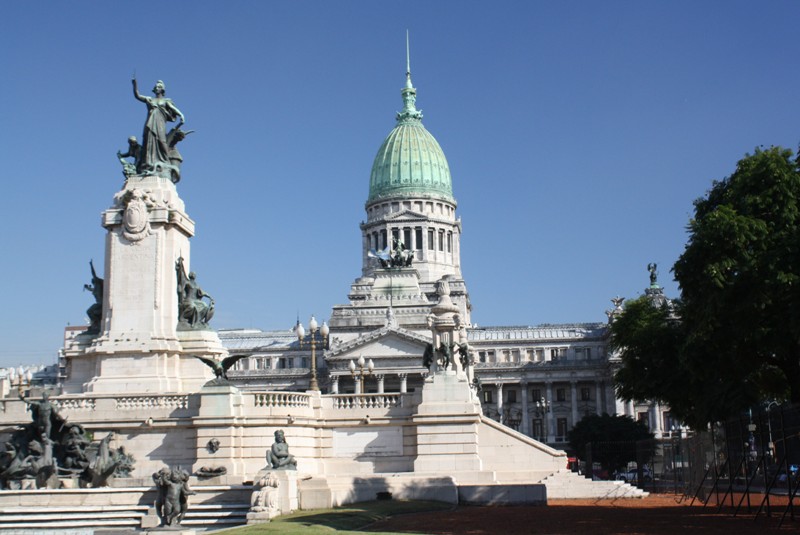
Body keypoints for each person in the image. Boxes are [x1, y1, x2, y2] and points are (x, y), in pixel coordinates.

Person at [132, 78, 185, 175]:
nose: (157, 88)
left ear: (162, 90)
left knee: (161, 141)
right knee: (149, 142)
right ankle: (148, 163)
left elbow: (173, 108)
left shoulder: (166, 101)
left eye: (159, 87)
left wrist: (181, 114)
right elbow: (137, 95)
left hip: (160, 123)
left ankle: (165, 161)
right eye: (156, 87)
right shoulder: (149, 99)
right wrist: (134, 85)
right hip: (150, 123)